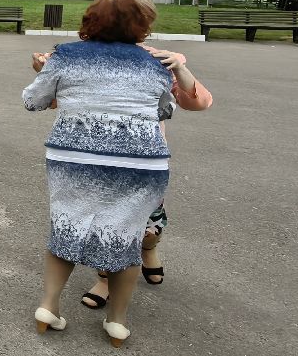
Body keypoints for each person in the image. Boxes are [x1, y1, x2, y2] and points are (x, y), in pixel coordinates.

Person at [21, 0, 188, 348]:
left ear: (90, 20)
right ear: (142, 26)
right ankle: (117, 322)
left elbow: (33, 101)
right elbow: (165, 111)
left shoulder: (65, 56)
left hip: (75, 159)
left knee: (67, 225)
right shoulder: (155, 63)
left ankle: (49, 307)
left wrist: (44, 73)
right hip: (140, 163)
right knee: (125, 238)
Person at [77, 45, 213, 309]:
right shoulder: (89, 56)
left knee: (149, 224)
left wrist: (179, 68)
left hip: (145, 163)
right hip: (98, 161)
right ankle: (105, 279)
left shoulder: (156, 59)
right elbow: (55, 99)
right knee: (106, 225)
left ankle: (149, 248)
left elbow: (198, 102)